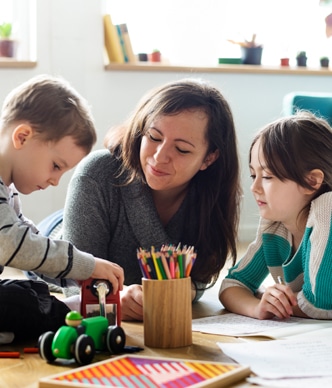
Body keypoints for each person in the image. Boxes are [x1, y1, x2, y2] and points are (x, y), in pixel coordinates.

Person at [62, 78, 242, 321]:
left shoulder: (213, 195)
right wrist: (114, 300)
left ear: (209, 158)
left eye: (182, 150)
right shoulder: (95, 174)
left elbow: (199, 278)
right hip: (57, 237)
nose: (160, 157)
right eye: (154, 137)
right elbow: (76, 283)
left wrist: (182, 290)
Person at [0, 74, 124, 297]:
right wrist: (85, 264)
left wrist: (79, 273)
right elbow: (11, 244)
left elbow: (32, 248)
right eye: (56, 166)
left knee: (31, 295)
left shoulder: (8, 191)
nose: (55, 181)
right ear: (23, 137)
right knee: (22, 303)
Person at [219, 111, 332, 320]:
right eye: (254, 175)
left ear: (312, 181)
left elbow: (321, 303)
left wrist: (277, 301)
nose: (254, 187)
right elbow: (232, 285)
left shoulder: (328, 209)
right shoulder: (275, 225)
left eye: (268, 176)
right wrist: (259, 306)